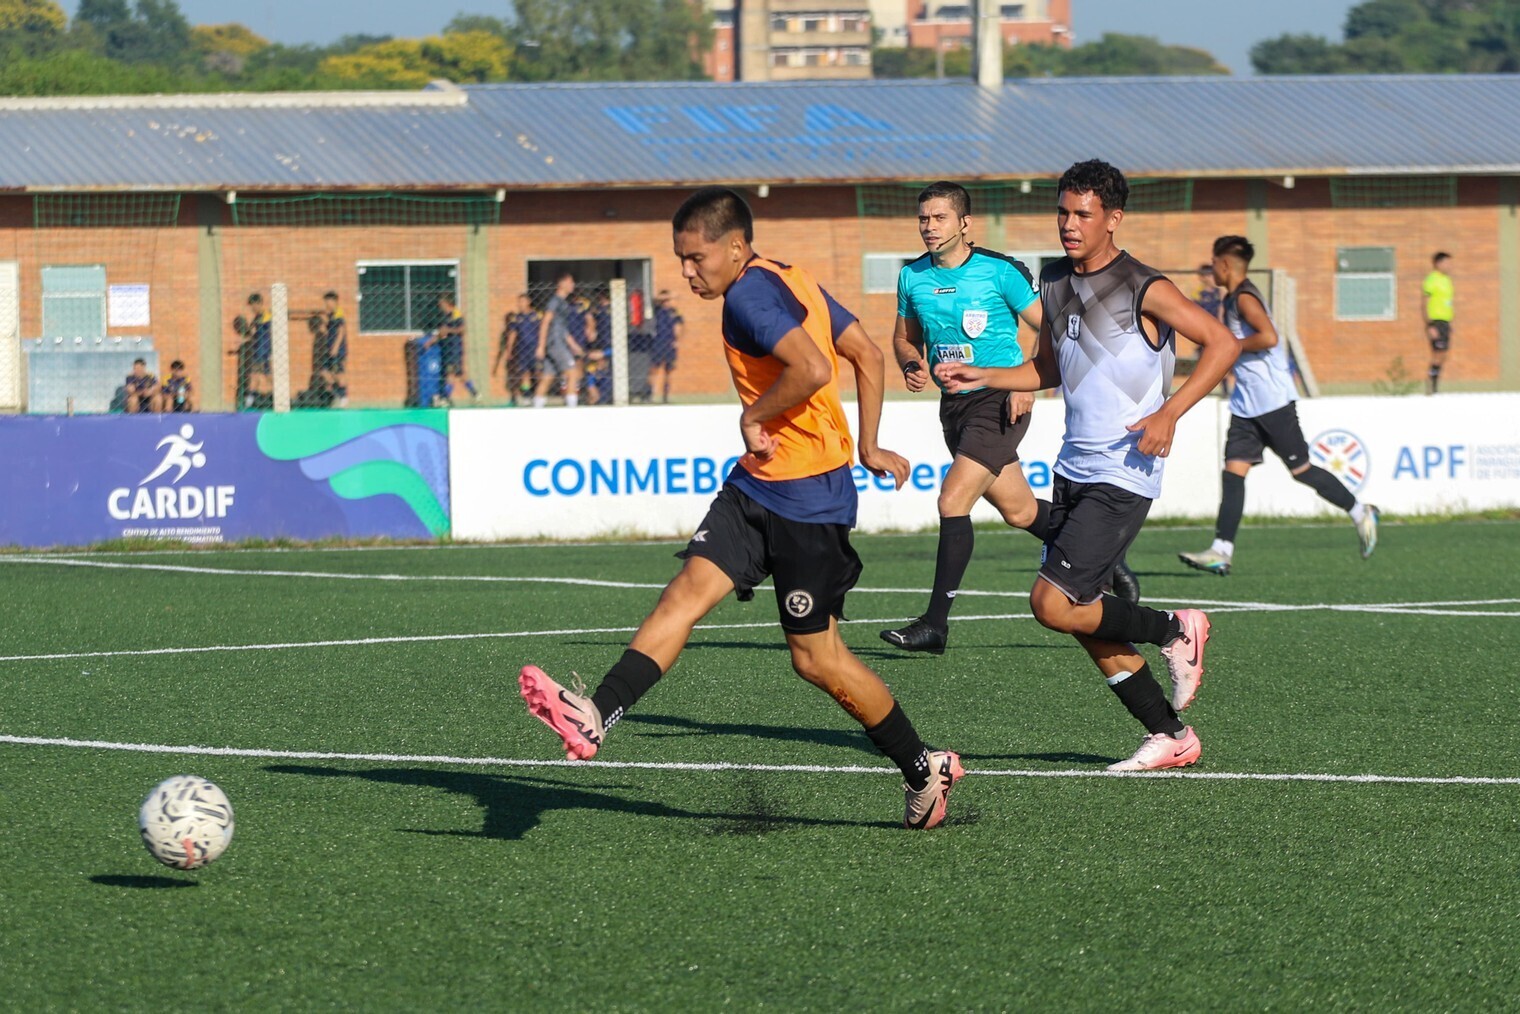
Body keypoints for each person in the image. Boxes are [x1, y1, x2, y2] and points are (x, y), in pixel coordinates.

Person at [519, 186, 965, 828]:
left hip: (810, 501)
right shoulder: (790, 276)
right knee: (683, 595)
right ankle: (597, 714)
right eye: (680, 258)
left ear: (734, 248)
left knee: (817, 660)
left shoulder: (748, 297)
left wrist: (755, 415)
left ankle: (923, 765)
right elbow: (865, 354)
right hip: (756, 486)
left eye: (695, 258)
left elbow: (813, 369)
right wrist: (866, 444)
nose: (686, 272)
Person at [936, 159, 1239, 772]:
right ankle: (1169, 735)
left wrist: (1169, 413)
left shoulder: (1144, 285)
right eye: (1063, 212)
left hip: (1124, 469)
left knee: (1051, 603)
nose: (1069, 224)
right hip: (1073, 466)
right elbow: (1048, 368)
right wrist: (984, 375)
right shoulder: (1053, 280)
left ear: (1113, 219)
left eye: (1083, 214)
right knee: (1082, 614)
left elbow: (1223, 343)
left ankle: (1174, 629)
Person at [880, 180, 1134, 658]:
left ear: (964, 223)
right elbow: (902, 337)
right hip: (953, 406)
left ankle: (935, 624)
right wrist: (911, 361)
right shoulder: (911, 276)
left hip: (998, 401)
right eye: (923, 219)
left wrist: (1028, 384)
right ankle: (1107, 559)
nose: (929, 227)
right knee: (1019, 512)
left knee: (952, 499)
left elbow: (1054, 329)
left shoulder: (999, 271)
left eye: (939, 218)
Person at [1179, 237, 1379, 577]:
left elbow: (1269, 337)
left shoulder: (1245, 297)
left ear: (1225, 264)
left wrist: (1231, 345)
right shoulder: (1230, 299)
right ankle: (1221, 551)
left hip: (1272, 402)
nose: (1212, 269)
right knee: (1233, 472)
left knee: (1301, 471)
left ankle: (1361, 512)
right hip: (1246, 404)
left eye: (1214, 263)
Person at [533, 272, 584, 407]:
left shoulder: (563, 303)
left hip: (558, 343)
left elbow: (563, 329)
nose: (573, 285)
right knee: (573, 373)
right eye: (570, 282)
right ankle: (572, 408)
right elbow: (545, 322)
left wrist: (573, 345)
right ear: (561, 284)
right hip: (555, 344)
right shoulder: (554, 301)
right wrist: (541, 346)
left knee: (547, 377)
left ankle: (536, 408)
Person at [492, 295, 540, 406]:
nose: (520, 304)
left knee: (538, 372)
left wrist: (543, 346)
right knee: (525, 373)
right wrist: (509, 350)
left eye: (522, 302)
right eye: (519, 302)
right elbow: (512, 335)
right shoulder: (517, 319)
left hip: (535, 348)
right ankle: (527, 396)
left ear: (528, 302)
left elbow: (542, 330)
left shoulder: (536, 315)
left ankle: (538, 394)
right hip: (523, 350)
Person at [433, 295, 478, 405]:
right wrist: (432, 340)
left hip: (455, 348)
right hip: (447, 348)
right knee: (460, 374)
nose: (440, 306)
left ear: (447, 303)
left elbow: (462, 329)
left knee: (450, 372)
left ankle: (445, 398)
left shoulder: (456, 313)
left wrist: (449, 330)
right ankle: (475, 394)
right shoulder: (444, 316)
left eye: (442, 303)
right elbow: (442, 332)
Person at [1422, 251, 1454, 394]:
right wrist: (1429, 325)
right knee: (1438, 353)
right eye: (1446, 263)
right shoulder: (1431, 280)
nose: (1449, 266)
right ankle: (1431, 385)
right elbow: (1424, 303)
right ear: (1438, 263)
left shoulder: (1447, 280)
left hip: (1445, 321)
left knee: (1443, 354)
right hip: (1436, 322)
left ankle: (1435, 382)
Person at [649, 289, 683, 403]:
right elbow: (655, 298)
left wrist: (677, 341)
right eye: (665, 300)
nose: (666, 302)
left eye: (668, 300)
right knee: (654, 369)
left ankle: (666, 396)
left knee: (669, 370)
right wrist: (671, 295)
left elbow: (679, 326)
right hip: (658, 342)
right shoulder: (657, 309)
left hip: (670, 343)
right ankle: (651, 395)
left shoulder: (674, 312)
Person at [317, 291, 349, 408]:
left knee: (338, 373)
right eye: (325, 302)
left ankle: (344, 396)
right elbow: (331, 331)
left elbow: (341, 331)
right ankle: (336, 393)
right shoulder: (331, 316)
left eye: (328, 301)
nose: (326, 304)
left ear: (333, 301)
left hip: (337, 350)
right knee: (324, 372)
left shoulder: (338, 314)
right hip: (330, 349)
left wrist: (335, 347)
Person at [243, 292, 272, 408]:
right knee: (257, 376)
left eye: (254, 305)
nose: (253, 308)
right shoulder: (256, 318)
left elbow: (269, 334)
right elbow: (253, 334)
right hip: (258, 352)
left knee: (263, 376)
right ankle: (249, 401)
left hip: (265, 352)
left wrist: (270, 353)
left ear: (259, 303)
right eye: (251, 306)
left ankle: (249, 402)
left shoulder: (267, 317)